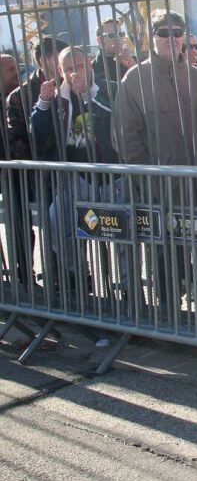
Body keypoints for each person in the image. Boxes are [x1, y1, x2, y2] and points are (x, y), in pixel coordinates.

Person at [112, 11, 197, 312]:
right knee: (164, 250)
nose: (171, 38)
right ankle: (167, 308)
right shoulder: (134, 80)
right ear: (152, 37)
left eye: (177, 32)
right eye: (163, 32)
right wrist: (148, 178)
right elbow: (126, 137)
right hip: (159, 187)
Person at [31, 46, 119, 297]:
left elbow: (117, 116)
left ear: (89, 64)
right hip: (74, 177)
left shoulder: (107, 87)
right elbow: (37, 133)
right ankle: (79, 273)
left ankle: (126, 286)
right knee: (55, 222)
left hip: (110, 176)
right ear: (60, 70)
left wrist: (88, 96)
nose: (74, 73)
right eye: (68, 69)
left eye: (79, 67)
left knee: (120, 233)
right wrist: (43, 104)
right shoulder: (59, 96)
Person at [4, 36, 68, 289]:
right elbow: (17, 140)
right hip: (38, 175)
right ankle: (37, 278)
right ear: (43, 60)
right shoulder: (22, 96)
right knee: (41, 226)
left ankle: (69, 277)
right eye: (58, 58)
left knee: (67, 226)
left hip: (69, 171)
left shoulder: (71, 87)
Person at [91, 18, 135, 88]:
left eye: (121, 34)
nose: (118, 38)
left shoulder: (132, 59)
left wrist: (132, 65)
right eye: (111, 35)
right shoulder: (94, 68)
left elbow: (149, 84)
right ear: (100, 40)